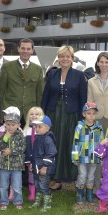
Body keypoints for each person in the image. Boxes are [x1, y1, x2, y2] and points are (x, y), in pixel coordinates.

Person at [41, 45, 87, 190]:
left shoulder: (79, 76)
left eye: (67, 56)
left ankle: (69, 176)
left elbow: (83, 99)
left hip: (70, 115)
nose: (64, 59)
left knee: (68, 144)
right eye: (62, 56)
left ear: (72, 59)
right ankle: (55, 177)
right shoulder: (52, 74)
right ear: (58, 59)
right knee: (54, 144)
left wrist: (82, 118)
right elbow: (46, 96)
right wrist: (42, 115)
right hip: (53, 113)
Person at [0, 38, 44, 126]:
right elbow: (1, 91)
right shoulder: (7, 67)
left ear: (32, 51)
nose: (25, 51)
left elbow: (39, 94)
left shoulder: (38, 69)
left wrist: (39, 114)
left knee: (29, 139)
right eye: (23, 48)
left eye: (28, 49)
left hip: (30, 114)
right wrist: (1, 113)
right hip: (10, 113)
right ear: (18, 49)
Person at [72, 102, 104, 205]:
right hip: (82, 157)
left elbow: (102, 143)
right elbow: (75, 142)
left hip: (94, 158)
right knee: (82, 175)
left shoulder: (99, 128)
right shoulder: (80, 127)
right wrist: (75, 157)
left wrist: (102, 156)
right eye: (89, 113)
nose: (91, 116)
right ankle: (80, 193)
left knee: (91, 177)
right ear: (84, 114)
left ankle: (89, 195)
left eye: (93, 113)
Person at [0, 112, 26, 210]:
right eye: (8, 124)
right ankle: (3, 202)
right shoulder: (4, 135)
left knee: (17, 185)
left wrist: (11, 151)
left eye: (13, 125)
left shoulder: (20, 135)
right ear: (5, 124)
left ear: (18, 125)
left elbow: (22, 148)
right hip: (4, 165)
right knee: (3, 185)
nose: (10, 127)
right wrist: (6, 137)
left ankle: (18, 201)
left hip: (17, 166)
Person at [29, 115, 57, 212]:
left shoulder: (48, 139)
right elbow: (35, 154)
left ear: (48, 127)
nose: (37, 129)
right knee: (37, 186)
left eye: (39, 127)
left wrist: (45, 166)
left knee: (44, 186)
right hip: (37, 167)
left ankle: (47, 204)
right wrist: (32, 164)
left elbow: (51, 153)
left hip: (45, 168)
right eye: (35, 127)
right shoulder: (38, 138)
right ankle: (37, 201)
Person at [24, 106, 44, 201]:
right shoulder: (26, 130)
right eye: (32, 114)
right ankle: (32, 192)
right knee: (31, 174)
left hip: (39, 157)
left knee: (40, 175)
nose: (34, 116)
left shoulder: (42, 131)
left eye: (37, 114)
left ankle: (40, 191)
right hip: (29, 157)